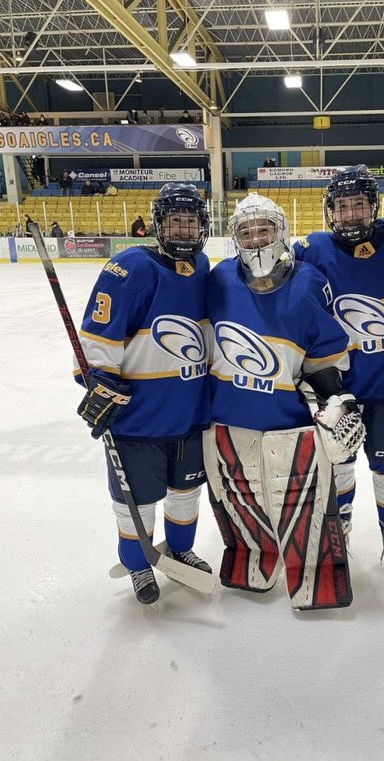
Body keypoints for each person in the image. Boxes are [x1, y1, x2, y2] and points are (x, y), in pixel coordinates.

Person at [204, 193, 365, 610]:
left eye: (264, 229)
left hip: (290, 423)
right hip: (229, 422)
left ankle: (316, 576)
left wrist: (334, 404)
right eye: (246, 231)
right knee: (241, 500)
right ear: (234, 237)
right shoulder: (218, 279)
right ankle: (251, 561)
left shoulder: (310, 281)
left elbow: (324, 359)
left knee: (303, 505)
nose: (256, 240)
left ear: (282, 231)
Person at [75, 183, 212, 605]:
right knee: (137, 501)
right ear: (157, 225)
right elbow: (98, 339)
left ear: (203, 227)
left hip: (190, 417)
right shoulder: (131, 267)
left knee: (186, 492)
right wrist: (99, 381)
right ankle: (137, 565)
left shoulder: (203, 265)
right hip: (139, 420)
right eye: (175, 222)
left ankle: (181, 549)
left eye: (190, 222)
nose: (183, 231)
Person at [294, 165, 384, 576]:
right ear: (331, 211)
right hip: (338, 389)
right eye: (342, 207)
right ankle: (339, 526)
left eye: (359, 205)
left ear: (374, 206)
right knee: (339, 465)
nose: (351, 214)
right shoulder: (314, 249)